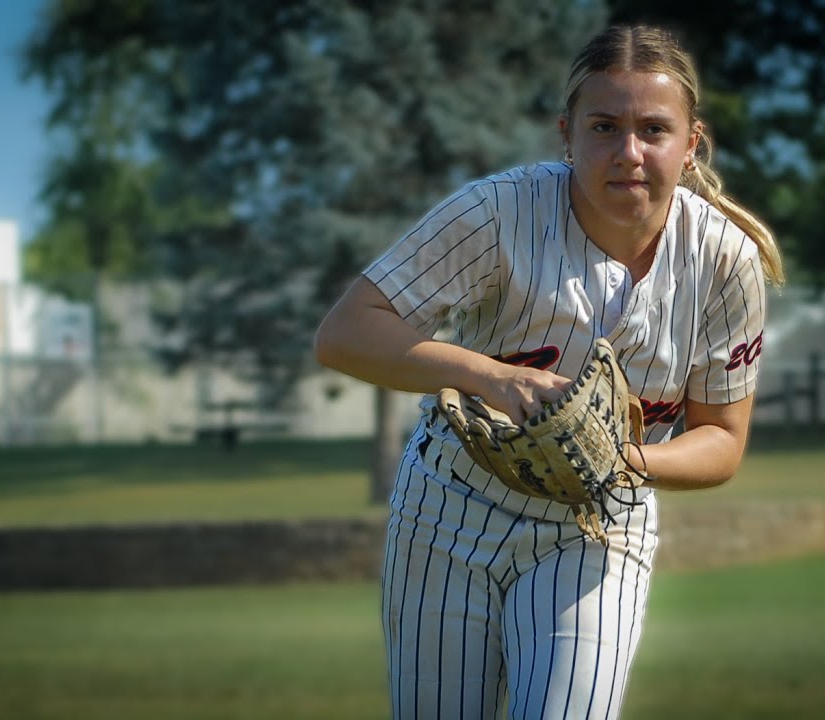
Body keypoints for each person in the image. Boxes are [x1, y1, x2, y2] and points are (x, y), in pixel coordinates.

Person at [314, 23, 785, 720]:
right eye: (605, 126)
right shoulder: (499, 212)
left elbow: (722, 439)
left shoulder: (724, 261)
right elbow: (345, 333)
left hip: (600, 526)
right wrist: (490, 377)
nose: (629, 152)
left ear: (690, 145)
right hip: (449, 510)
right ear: (566, 135)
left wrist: (624, 460)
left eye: (654, 129)